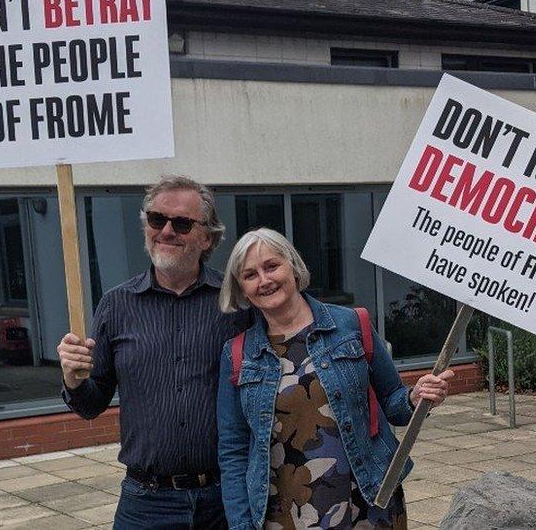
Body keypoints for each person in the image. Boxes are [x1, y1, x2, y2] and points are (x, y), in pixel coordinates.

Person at [216, 228, 454, 530]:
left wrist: (416, 397)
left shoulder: (351, 324)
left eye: (272, 266)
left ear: (293, 265)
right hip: (286, 513)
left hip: (368, 501)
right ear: (241, 288)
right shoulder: (237, 354)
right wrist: (240, 525)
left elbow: (394, 402)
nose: (264, 280)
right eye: (250, 275)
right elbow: (233, 450)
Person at [57, 175, 248, 529]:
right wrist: (73, 379)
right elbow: (90, 404)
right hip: (147, 502)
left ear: (207, 236)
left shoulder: (236, 302)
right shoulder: (116, 305)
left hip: (225, 498)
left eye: (182, 223)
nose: (167, 231)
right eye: (157, 219)